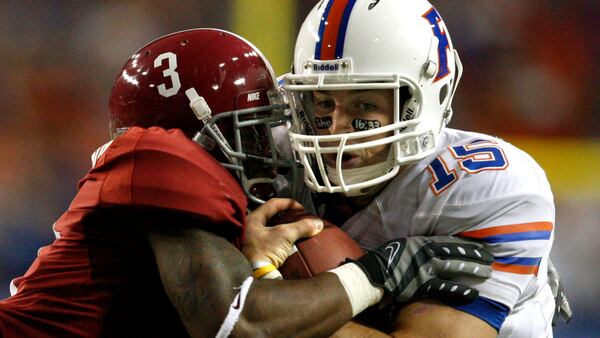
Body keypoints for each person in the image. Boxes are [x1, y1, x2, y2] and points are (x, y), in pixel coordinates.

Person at [0, 28, 494, 337]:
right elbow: (239, 323)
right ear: (192, 132)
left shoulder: (210, 213)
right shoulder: (156, 153)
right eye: (252, 128)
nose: (268, 146)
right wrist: (379, 276)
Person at [282, 0, 568, 336]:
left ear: (425, 101)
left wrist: (262, 307)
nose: (334, 128)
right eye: (324, 102)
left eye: (365, 104)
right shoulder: (276, 158)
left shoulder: (487, 188)